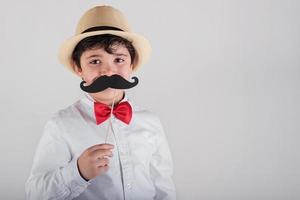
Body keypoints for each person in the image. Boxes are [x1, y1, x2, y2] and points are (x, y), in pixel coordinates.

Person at [25, 5, 176, 200]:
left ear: (132, 64)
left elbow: (163, 186)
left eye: (119, 60)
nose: (108, 71)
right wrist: (78, 172)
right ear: (78, 67)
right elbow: (34, 193)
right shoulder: (61, 125)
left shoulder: (151, 121)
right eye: (95, 61)